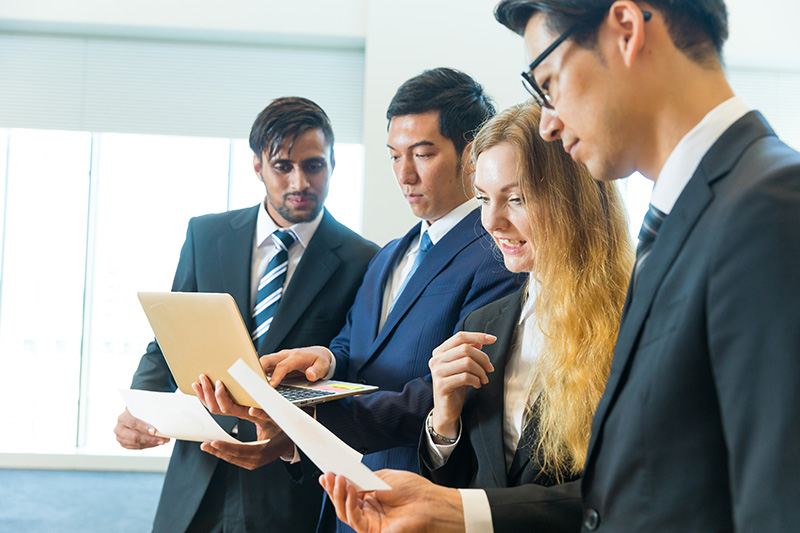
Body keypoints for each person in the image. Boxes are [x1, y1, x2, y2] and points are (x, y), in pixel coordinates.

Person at [325, 0, 800, 531]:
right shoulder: (690, 221)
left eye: (548, 81)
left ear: (626, 31)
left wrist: (462, 511)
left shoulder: (769, 205)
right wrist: (447, 460)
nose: (550, 120)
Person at [197, 67, 525, 532]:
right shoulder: (390, 253)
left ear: (471, 154)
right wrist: (324, 360)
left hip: (417, 498)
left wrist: (303, 414)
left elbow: (450, 394)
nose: (404, 174)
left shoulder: (497, 256)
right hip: (348, 500)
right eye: (394, 156)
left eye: (423, 154)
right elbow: (355, 348)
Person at [320, 100, 633, 533]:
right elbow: (468, 477)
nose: (492, 221)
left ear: (572, 198)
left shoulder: (634, 321)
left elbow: (630, 492)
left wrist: (461, 511)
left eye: (516, 199)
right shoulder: (485, 324)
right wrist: (443, 422)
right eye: (484, 198)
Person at [113, 96, 379, 533]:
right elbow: (167, 336)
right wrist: (143, 407)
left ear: (333, 163)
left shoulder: (363, 259)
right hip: (198, 465)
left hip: (289, 481)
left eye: (314, 166)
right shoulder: (206, 234)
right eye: (282, 166)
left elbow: (351, 362)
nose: (300, 181)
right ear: (257, 165)